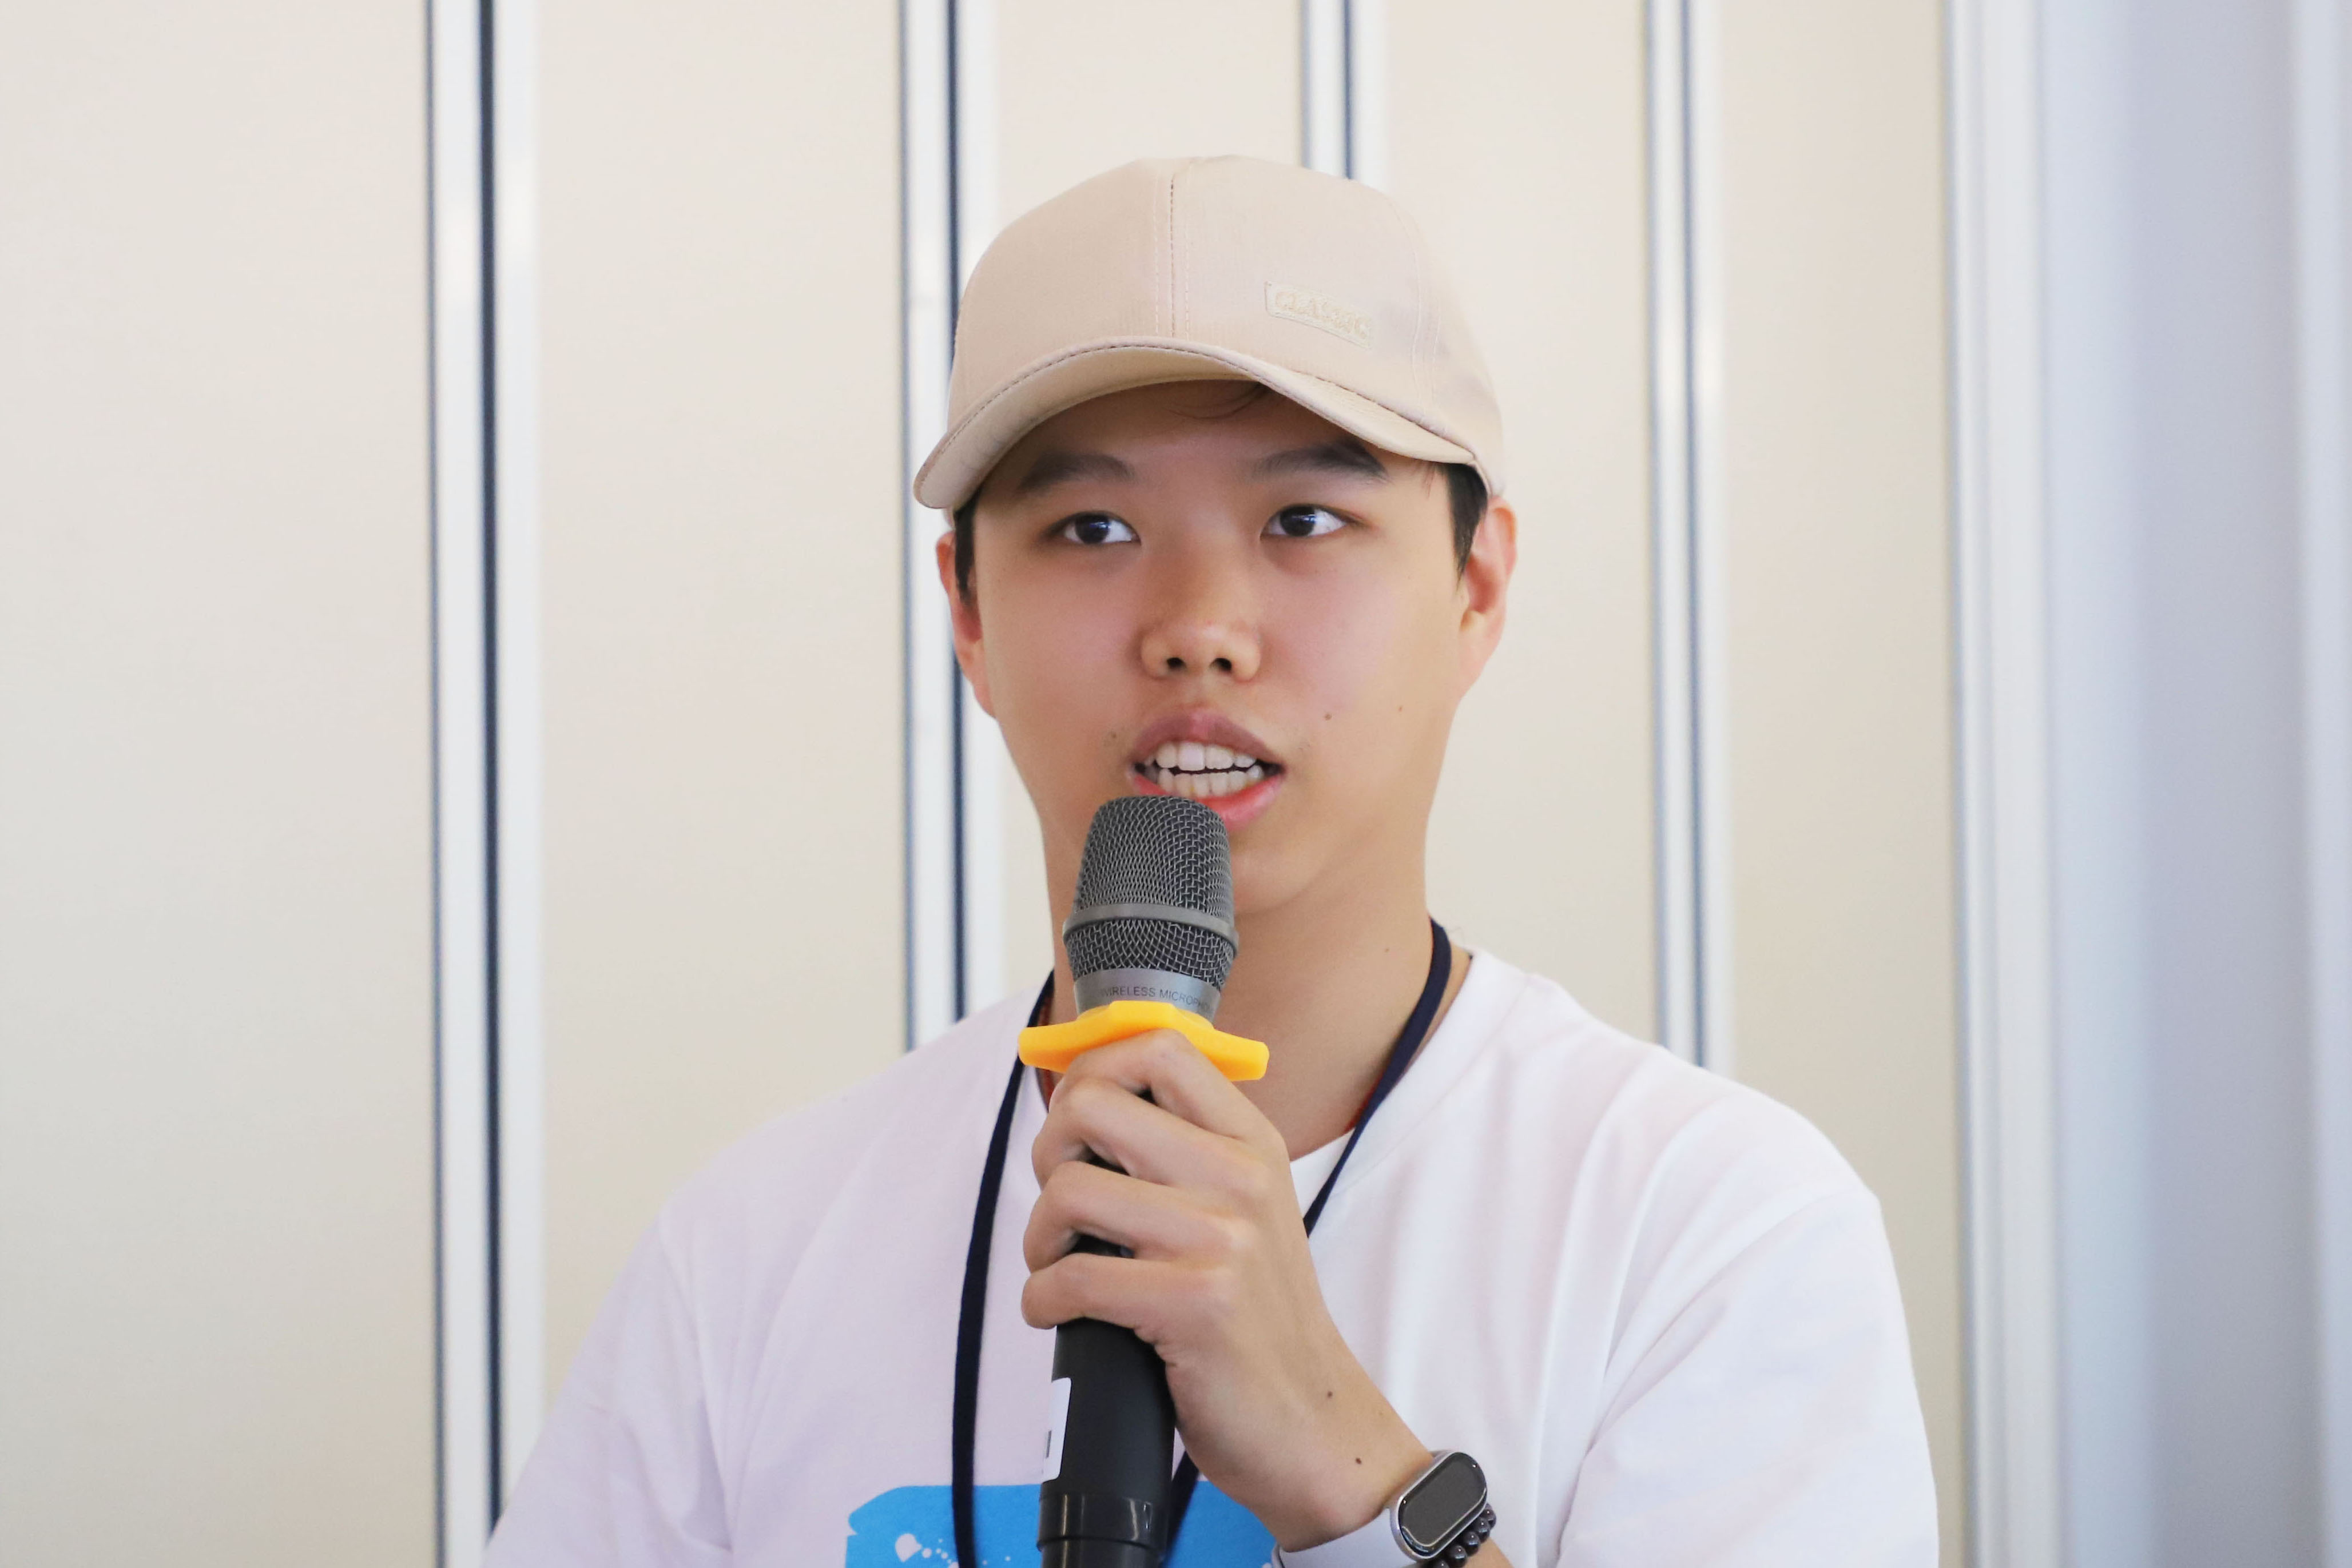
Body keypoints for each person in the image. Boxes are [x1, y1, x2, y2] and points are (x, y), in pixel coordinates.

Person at [485, 156, 1936, 1568]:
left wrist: (1351, 1474)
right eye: (1092, 527)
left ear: (1476, 588)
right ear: (969, 614)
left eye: (1304, 520)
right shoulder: (752, 1252)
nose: (1197, 628)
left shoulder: (1706, 1231)